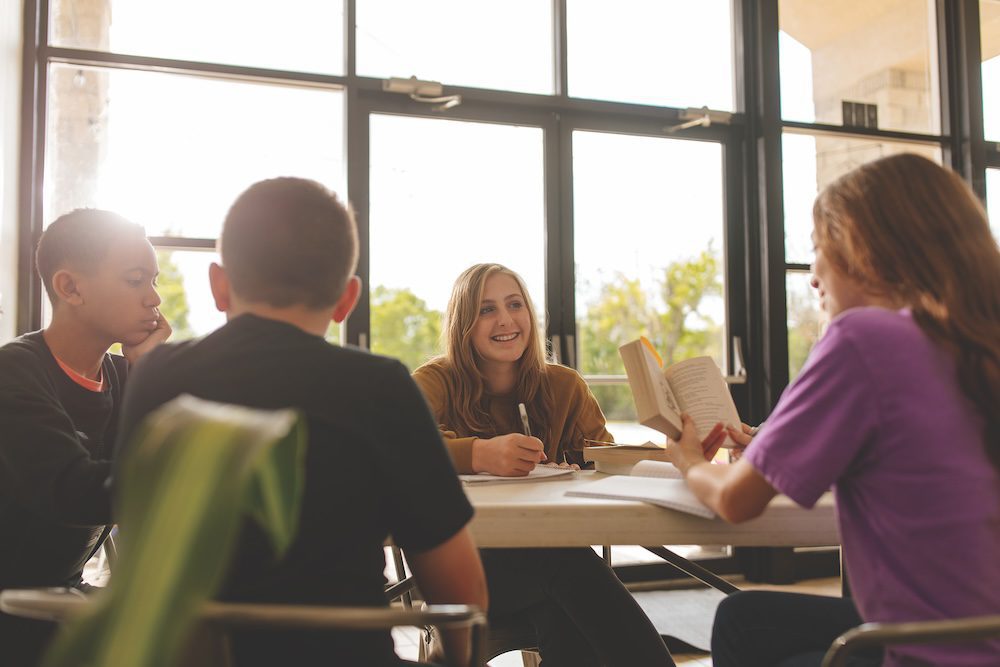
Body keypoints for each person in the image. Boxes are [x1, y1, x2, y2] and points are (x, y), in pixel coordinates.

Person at [116, 177, 487, 667]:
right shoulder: (381, 386)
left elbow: (137, 543)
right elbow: (462, 595)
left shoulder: (156, 375)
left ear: (218, 285)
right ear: (346, 301)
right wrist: (445, 658)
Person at [663, 154, 1000, 667]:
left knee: (741, 627)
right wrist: (784, 452)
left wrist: (689, 461)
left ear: (863, 251)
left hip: (933, 651)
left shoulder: (866, 338)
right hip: (982, 629)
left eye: (818, 250)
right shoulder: (975, 340)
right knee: (744, 619)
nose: (814, 277)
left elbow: (735, 501)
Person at [412, 263, 674, 666]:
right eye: (486, 309)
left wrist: (673, 451)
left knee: (564, 604)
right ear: (463, 322)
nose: (505, 319)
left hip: (552, 573)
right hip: (464, 574)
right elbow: (405, 450)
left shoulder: (564, 386)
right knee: (566, 566)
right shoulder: (434, 382)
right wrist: (480, 454)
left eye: (515, 304)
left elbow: (600, 459)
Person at [0, 209, 171, 665]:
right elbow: (75, 493)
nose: (154, 300)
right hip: (11, 610)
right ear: (70, 287)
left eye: (153, 281)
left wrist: (146, 375)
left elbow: (141, 470)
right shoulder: (15, 371)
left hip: (61, 598)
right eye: (136, 280)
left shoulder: (122, 374)